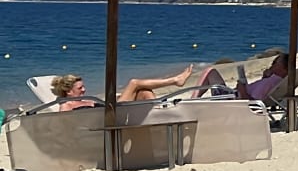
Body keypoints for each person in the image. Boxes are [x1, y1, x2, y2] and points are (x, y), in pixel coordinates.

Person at [51, 64, 211, 110]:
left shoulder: (85, 100)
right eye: (80, 88)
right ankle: (176, 80)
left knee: (144, 91)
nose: (84, 90)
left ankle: (157, 115)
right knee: (134, 83)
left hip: (113, 108)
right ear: (68, 91)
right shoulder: (66, 106)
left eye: (83, 87)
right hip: (112, 115)